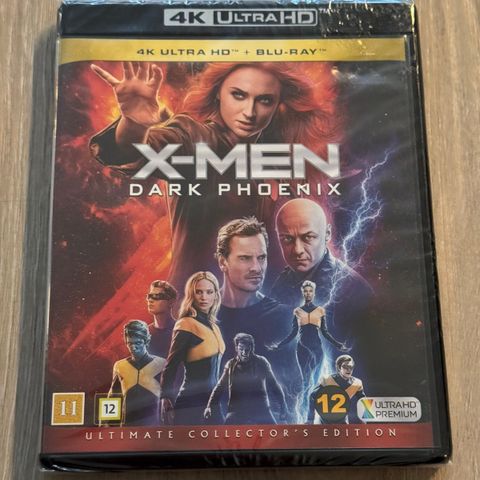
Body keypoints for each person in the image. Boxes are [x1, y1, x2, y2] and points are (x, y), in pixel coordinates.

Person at [89, 62, 338, 288]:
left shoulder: (281, 156)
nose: (249, 112)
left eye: (264, 100)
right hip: (198, 307)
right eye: (238, 95)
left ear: (277, 105)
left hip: (266, 308)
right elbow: (138, 149)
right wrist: (134, 125)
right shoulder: (196, 138)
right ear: (218, 93)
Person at [215, 216, 301, 416]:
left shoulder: (281, 317)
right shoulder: (198, 317)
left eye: (261, 257)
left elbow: (292, 387)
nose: (256, 268)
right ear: (222, 262)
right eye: (245, 258)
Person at [270, 199, 373, 349]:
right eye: (287, 238)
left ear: (327, 234)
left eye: (308, 237)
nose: (297, 250)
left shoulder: (354, 290)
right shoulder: (283, 280)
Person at [160, 271, 225, 425]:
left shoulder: (214, 326)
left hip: (213, 404)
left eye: (209, 292)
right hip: (190, 403)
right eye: (199, 292)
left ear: (216, 295)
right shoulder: (186, 323)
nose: (204, 297)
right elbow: (171, 364)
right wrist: (165, 397)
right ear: (191, 294)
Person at [269, 280, 350, 389]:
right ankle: (306, 400)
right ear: (303, 293)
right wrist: (279, 345)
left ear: (313, 293)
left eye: (310, 291)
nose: (308, 293)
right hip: (302, 349)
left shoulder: (320, 310)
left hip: (317, 348)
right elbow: (293, 333)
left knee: (316, 380)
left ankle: (315, 399)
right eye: (306, 291)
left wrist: (338, 345)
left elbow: (324, 332)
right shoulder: (297, 311)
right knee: (306, 382)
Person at [204, 333, 287, 425]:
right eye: (241, 349)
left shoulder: (261, 362)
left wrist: (283, 406)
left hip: (261, 409)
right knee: (226, 433)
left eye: (247, 349)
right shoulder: (231, 365)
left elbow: (273, 385)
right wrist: (209, 406)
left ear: (252, 348)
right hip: (236, 410)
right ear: (236, 348)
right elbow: (220, 387)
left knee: (274, 433)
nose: (244, 353)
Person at [109, 320, 166, 426]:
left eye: (138, 343)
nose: (133, 347)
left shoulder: (161, 364)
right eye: (129, 343)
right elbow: (112, 399)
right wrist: (107, 425)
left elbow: (170, 398)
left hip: (154, 428)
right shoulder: (120, 366)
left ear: (146, 341)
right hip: (127, 428)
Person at [308, 354, 366, 424]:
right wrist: (310, 419)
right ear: (339, 367)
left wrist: (365, 419)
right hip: (324, 420)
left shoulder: (357, 383)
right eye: (345, 366)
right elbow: (312, 396)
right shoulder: (327, 380)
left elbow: (363, 401)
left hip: (342, 420)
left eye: (351, 367)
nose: (349, 369)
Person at [146, 280, 178, 358]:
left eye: (157, 296)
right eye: (149, 296)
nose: (150, 300)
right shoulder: (145, 333)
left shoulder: (181, 330)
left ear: (171, 302)